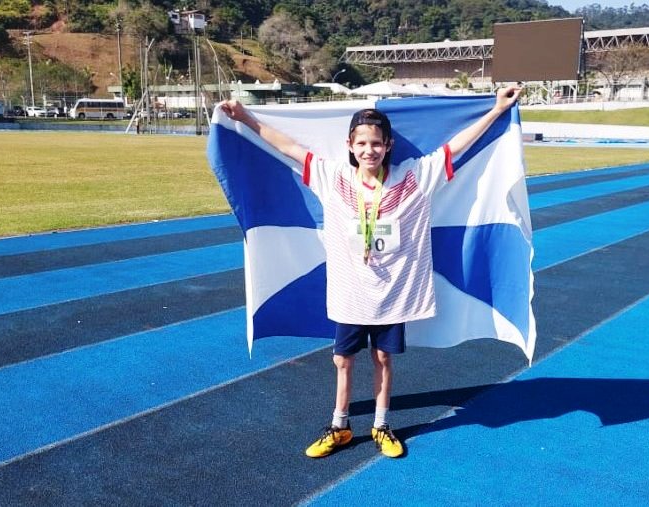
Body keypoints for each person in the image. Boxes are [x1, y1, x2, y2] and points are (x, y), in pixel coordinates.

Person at [220, 85, 521, 459]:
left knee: (383, 359)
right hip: (350, 293)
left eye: (376, 143)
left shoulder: (414, 177)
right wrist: (245, 117)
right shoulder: (331, 178)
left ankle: (381, 426)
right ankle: (340, 426)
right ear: (350, 145)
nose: (369, 150)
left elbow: (455, 147)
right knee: (342, 361)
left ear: (388, 145)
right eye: (362, 143)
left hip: (393, 294)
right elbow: (288, 147)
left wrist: (494, 111)